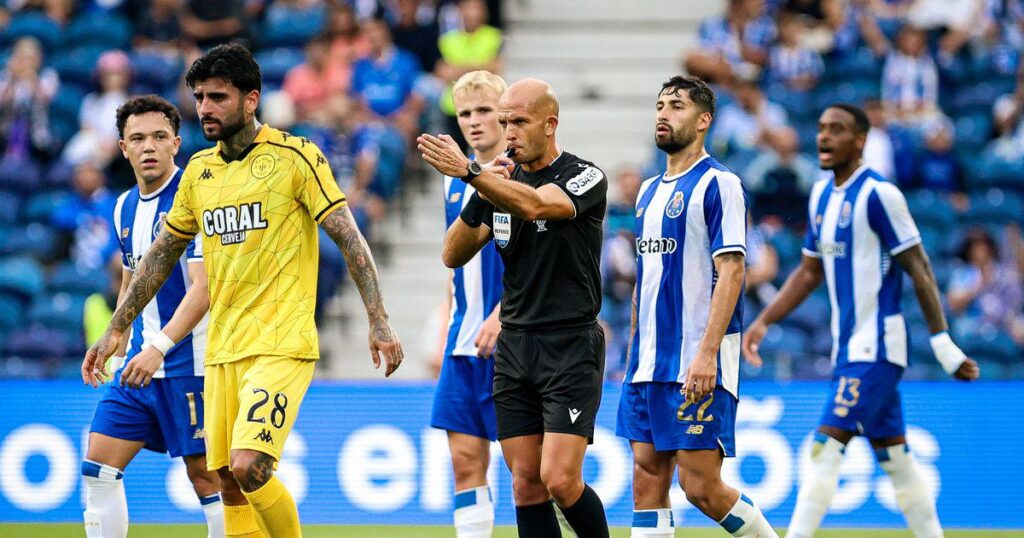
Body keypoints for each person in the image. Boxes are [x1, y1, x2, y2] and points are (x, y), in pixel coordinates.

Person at [82, 43, 404, 538]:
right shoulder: (200, 173)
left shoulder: (295, 156)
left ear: (251, 99)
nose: (205, 109)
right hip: (221, 351)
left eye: (218, 97)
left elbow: (347, 234)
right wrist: (118, 326)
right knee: (229, 482)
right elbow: (161, 254)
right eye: (200, 98)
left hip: (281, 341)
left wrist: (378, 317)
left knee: (250, 464)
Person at [742, 103, 981, 538]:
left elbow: (921, 267)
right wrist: (764, 321)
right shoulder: (820, 194)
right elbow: (810, 271)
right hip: (848, 347)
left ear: (861, 140)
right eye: (820, 128)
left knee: (824, 448)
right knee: (897, 459)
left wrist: (943, 343)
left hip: (877, 347)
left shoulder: (880, 195)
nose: (824, 137)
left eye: (837, 129)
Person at [419, 77, 610, 537]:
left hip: (569, 345)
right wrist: (481, 192)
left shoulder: (583, 175)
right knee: (525, 484)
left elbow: (539, 207)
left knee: (560, 479)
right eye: (504, 122)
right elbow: (452, 254)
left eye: (519, 122)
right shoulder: (499, 184)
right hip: (515, 348)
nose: (509, 132)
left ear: (550, 124)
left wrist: (472, 174)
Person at [616, 75, 778, 538]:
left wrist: (707, 353)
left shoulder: (720, 184)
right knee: (647, 477)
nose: (664, 114)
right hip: (647, 362)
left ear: (704, 120)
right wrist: (633, 352)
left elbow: (732, 271)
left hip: (695, 358)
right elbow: (645, 283)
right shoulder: (647, 191)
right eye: (660, 105)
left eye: (677, 107)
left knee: (700, 486)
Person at [79, 95, 223, 538]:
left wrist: (158, 349)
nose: (149, 147)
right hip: (141, 365)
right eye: (137, 138)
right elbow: (132, 281)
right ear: (122, 148)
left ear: (176, 143)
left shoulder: (194, 198)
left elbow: (204, 288)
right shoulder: (123, 207)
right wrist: (114, 335)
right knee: (97, 468)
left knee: (207, 478)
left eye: (159, 137)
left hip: (191, 365)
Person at [429, 70, 507, 538]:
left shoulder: (521, 174)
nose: (474, 122)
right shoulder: (451, 181)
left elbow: (538, 262)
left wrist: (502, 314)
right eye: (465, 114)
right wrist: (447, 324)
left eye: (483, 111)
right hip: (464, 341)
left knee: (532, 473)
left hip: (515, 340)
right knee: (464, 462)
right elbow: (455, 263)